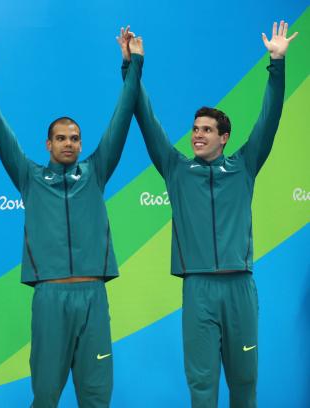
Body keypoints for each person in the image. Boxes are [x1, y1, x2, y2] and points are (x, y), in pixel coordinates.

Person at [117, 21, 298, 407]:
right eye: (194, 129)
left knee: (245, 385)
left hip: (240, 290)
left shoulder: (245, 165)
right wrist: (132, 67)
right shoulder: (177, 168)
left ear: (224, 137)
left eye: (206, 130)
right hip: (198, 289)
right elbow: (145, 118)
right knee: (202, 389)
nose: (197, 135)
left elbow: (270, 118)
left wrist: (277, 63)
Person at [0, 34, 144, 407]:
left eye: (75, 138)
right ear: (48, 144)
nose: (69, 143)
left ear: (82, 144)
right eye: (61, 138)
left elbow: (123, 116)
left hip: (93, 296)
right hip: (50, 298)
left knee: (97, 396)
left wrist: (132, 64)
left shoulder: (96, 171)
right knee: (45, 395)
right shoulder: (30, 177)